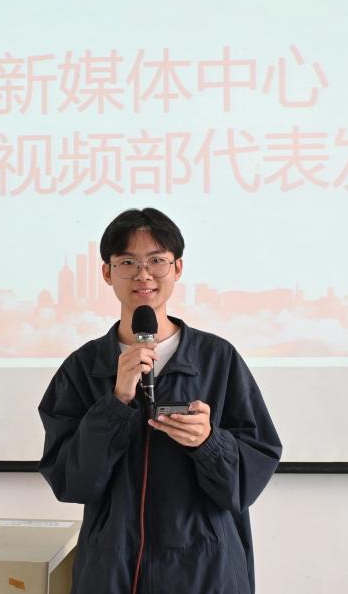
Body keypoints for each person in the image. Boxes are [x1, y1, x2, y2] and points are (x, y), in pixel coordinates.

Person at [38, 207, 282, 594]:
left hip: (206, 570)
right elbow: (72, 483)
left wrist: (208, 442)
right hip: (113, 571)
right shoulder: (83, 368)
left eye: (156, 261)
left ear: (177, 268)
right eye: (127, 262)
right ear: (107, 272)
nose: (143, 274)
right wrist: (117, 401)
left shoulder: (218, 360)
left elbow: (245, 482)